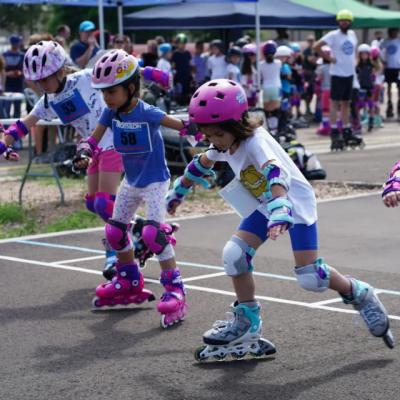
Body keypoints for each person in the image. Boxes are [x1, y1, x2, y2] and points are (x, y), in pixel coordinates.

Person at [166, 79, 394, 361]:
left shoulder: (256, 142)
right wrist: (180, 190)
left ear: (235, 124)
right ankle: (247, 322)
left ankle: (358, 293)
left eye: (217, 135)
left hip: (292, 206)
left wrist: (281, 208)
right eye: (208, 135)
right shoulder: (224, 142)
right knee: (234, 255)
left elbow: (274, 171)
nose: (213, 141)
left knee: (310, 277)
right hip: (265, 207)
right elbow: (204, 161)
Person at [0, 41, 171, 279]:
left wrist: (150, 72)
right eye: (37, 81)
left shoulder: (85, 78)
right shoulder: (48, 101)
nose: (41, 85)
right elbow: (24, 124)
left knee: (104, 203)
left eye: (45, 79)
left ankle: (115, 253)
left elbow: (120, 69)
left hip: (113, 140)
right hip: (91, 148)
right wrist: (3, 143)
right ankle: (141, 227)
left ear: (61, 71)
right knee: (93, 203)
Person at [73, 49, 189, 328]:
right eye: (103, 92)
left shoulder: (146, 111)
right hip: (131, 182)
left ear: (131, 87)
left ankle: (175, 289)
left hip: (155, 182)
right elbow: (94, 139)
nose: (106, 98)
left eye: (111, 91)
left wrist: (202, 127)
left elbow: (180, 125)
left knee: (152, 234)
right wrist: (85, 152)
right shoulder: (110, 113)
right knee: (114, 231)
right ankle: (129, 279)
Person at [314, 9, 363, 151]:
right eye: (342, 20)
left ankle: (347, 128)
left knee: (346, 103)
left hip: (349, 74)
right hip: (337, 74)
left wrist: (356, 61)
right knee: (334, 103)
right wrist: (329, 58)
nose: (344, 23)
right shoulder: (333, 35)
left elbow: (355, 50)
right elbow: (316, 46)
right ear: (338, 22)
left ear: (350, 22)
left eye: (347, 20)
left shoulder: (353, 35)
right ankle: (335, 130)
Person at [260, 40, 281, 136]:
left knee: (267, 111)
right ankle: (275, 130)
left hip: (265, 88)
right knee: (275, 111)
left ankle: (270, 130)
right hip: (276, 87)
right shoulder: (278, 63)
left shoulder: (260, 64)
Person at [380, 28, 400, 120]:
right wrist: (383, 62)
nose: (394, 33)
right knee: (388, 86)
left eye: (395, 32)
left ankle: (399, 104)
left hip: (398, 67)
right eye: (392, 32)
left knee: (398, 87)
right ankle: (389, 103)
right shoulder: (385, 42)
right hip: (389, 68)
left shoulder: (399, 41)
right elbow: (379, 52)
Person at [356, 44, 375, 132]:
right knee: (358, 106)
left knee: (371, 105)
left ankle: (371, 121)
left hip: (369, 87)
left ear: (368, 54)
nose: (364, 56)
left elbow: (374, 75)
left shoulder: (371, 65)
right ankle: (358, 123)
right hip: (361, 88)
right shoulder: (357, 66)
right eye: (362, 54)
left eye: (365, 54)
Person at [171, 33, 192, 105]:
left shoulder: (187, 53)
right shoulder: (175, 54)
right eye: (180, 43)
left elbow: (189, 64)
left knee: (187, 93)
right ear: (177, 44)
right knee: (179, 95)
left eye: (184, 43)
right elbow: (173, 67)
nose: (182, 45)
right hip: (179, 77)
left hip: (187, 76)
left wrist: (192, 75)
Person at [315, 46, 332, 136]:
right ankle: (337, 125)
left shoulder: (321, 67)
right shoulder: (334, 66)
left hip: (325, 90)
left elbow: (319, 79)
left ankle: (325, 127)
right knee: (335, 108)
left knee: (325, 109)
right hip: (334, 90)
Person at [240, 43, 258, 108]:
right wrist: (254, 93)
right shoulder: (249, 67)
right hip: (249, 95)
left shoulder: (244, 66)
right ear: (250, 56)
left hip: (245, 94)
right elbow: (249, 82)